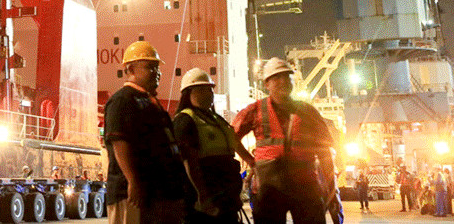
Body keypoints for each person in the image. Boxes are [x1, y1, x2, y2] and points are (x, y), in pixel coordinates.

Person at [232, 57, 335, 224]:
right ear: (266, 84)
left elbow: (325, 150)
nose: (283, 81)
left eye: (287, 77)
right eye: (276, 78)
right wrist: (251, 162)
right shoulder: (255, 110)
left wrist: (331, 187)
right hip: (269, 190)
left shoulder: (308, 112)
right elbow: (231, 137)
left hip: (305, 187)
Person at [103, 40, 188, 224]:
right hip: (132, 195)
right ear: (130, 69)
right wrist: (133, 181)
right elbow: (120, 143)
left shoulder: (151, 103)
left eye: (157, 67)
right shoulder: (123, 101)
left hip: (158, 194)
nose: (157, 72)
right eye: (150, 67)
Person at [173, 68, 254, 224]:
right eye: (202, 90)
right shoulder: (185, 121)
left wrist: (251, 161)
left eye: (210, 89)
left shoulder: (216, 120)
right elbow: (189, 162)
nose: (209, 93)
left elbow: (234, 141)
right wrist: (202, 196)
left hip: (226, 197)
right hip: (205, 201)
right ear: (188, 93)